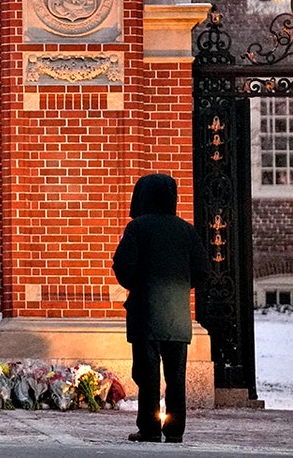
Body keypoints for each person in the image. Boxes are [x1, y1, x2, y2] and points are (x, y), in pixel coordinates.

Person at [113, 173, 211, 444]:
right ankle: (175, 429)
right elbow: (203, 270)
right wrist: (181, 286)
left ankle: (150, 427)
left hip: (146, 313)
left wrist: (138, 284)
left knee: (147, 374)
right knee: (175, 377)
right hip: (177, 315)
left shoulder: (138, 228)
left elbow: (123, 266)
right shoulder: (186, 230)